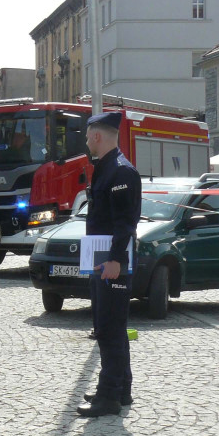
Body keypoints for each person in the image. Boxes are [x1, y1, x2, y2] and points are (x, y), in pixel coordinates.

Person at [78, 112, 141, 418]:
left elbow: (125, 222)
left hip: (112, 261)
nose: (86, 140)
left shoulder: (121, 173)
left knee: (109, 330)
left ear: (98, 137)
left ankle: (107, 398)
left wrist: (116, 259)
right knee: (112, 327)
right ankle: (120, 389)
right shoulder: (105, 169)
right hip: (102, 259)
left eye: (89, 135)